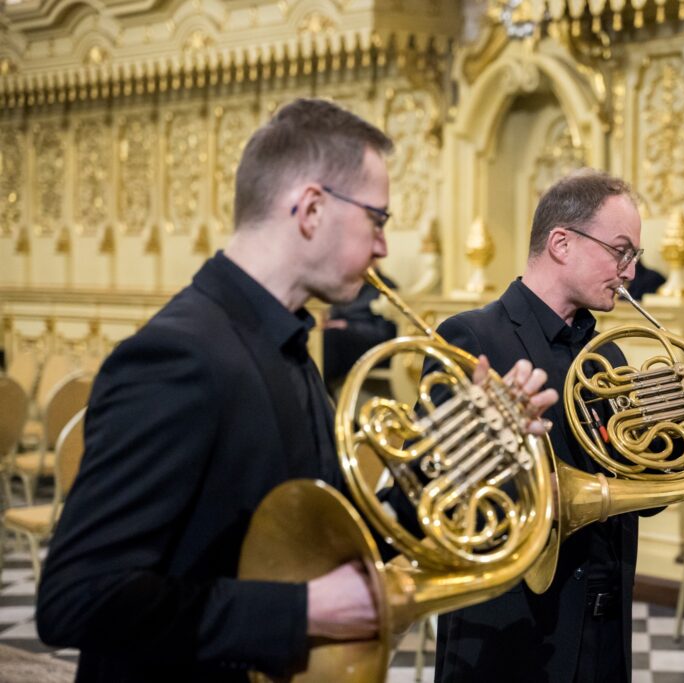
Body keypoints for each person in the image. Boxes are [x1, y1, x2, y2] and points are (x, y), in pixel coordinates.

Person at [35, 98, 556, 682]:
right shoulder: (178, 356)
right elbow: (76, 598)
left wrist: (464, 450)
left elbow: (338, 541)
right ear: (311, 209)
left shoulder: (286, 350)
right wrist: (304, 612)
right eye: (377, 220)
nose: (383, 247)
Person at [416, 170, 684, 682]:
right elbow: (435, 482)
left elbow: (639, 488)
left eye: (635, 256)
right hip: (510, 630)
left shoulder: (606, 354)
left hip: (603, 622)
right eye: (621, 251)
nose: (631, 271)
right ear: (561, 243)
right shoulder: (472, 335)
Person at [321, 268, 398, 395]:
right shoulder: (345, 286)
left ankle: (322, 392)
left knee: (330, 338)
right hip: (341, 339)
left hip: (370, 344)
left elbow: (386, 333)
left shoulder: (385, 287)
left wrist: (347, 326)